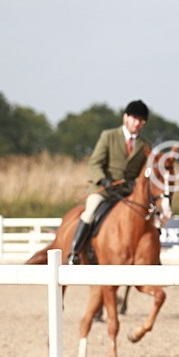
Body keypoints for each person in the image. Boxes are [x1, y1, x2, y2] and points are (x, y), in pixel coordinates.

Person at [68, 99, 152, 264]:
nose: (137, 123)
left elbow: (143, 173)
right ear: (125, 117)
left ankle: (151, 256)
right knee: (90, 213)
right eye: (134, 118)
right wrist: (103, 179)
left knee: (148, 216)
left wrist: (135, 185)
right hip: (104, 190)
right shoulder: (108, 136)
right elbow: (95, 162)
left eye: (141, 120)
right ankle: (75, 252)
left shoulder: (145, 145)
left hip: (127, 193)